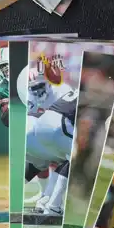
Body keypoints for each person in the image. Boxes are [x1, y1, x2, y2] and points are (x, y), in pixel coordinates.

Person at [18, 56, 77, 216]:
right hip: (38, 133)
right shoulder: (61, 90)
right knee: (70, 157)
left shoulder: (61, 89)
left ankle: (14, 195)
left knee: (42, 161)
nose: (37, 90)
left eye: (40, 85)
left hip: (33, 136)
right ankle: (49, 202)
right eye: (33, 87)